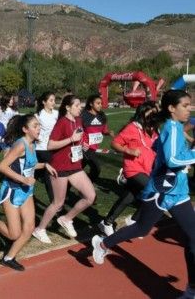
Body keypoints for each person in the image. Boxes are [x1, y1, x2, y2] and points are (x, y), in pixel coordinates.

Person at [92, 90, 195, 299]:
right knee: (142, 227)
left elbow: (163, 151)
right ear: (171, 108)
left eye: (190, 105)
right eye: (185, 105)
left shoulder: (172, 128)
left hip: (177, 191)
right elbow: (174, 160)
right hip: (162, 191)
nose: (189, 109)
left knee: (193, 238)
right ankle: (102, 243)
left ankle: (191, 290)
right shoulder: (171, 129)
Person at [0, 114, 57, 271]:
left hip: (26, 192)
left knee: (29, 228)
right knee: (14, 234)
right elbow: (2, 167)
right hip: (12, 191)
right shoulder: (20, 145)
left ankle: (8, 257)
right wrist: (23, 180)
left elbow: (29, 165)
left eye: (38, 125)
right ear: (25, 129)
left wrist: (45, 165)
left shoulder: (32, 144)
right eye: (35, 126)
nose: (39, 128)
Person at [32, 94, 96, 244]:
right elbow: (50, 145)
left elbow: (79, 139)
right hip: (59, 167)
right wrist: (70, 140)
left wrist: (82, 144)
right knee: (58, 203)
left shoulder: (79, 121)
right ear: (68, 107)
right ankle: (40, 229)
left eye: (80, 105)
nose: (80, 107)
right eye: (77, 105)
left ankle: (66, 219)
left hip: (75, 166)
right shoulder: (61, 122)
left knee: (90, 196)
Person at [98, 101, 159, 236]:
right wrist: (128, 150)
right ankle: (134, 220)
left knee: (129, 197)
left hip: (147, 169)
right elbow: (114, 143)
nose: (154, 116)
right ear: (143, 114)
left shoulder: (153, 129)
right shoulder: (132, 127)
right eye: (152, 113)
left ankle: (106, 222)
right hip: (133, 169)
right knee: (155, 191)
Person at [81, 94, 114, 183]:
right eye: (98, 103)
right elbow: (78, 131)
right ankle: (87, 185)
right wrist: (82, 142)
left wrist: (108, 132)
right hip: (85, 148)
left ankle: (67, 185)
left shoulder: (102, 116)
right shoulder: (83, 115)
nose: (100, 105)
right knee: (96, 168)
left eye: (101, 103)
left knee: (77, 169)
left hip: (94, 147)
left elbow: (104, 130)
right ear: (91, 104)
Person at [35, 92, 59, 201]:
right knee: (48, 174)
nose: (53, 103)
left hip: (53, 147)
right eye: (51, 100)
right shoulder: (38, 115)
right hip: (42, 148)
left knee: (38, 173)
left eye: (54, 100)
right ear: (44, 102)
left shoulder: (56, 113)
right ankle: (54, 201)